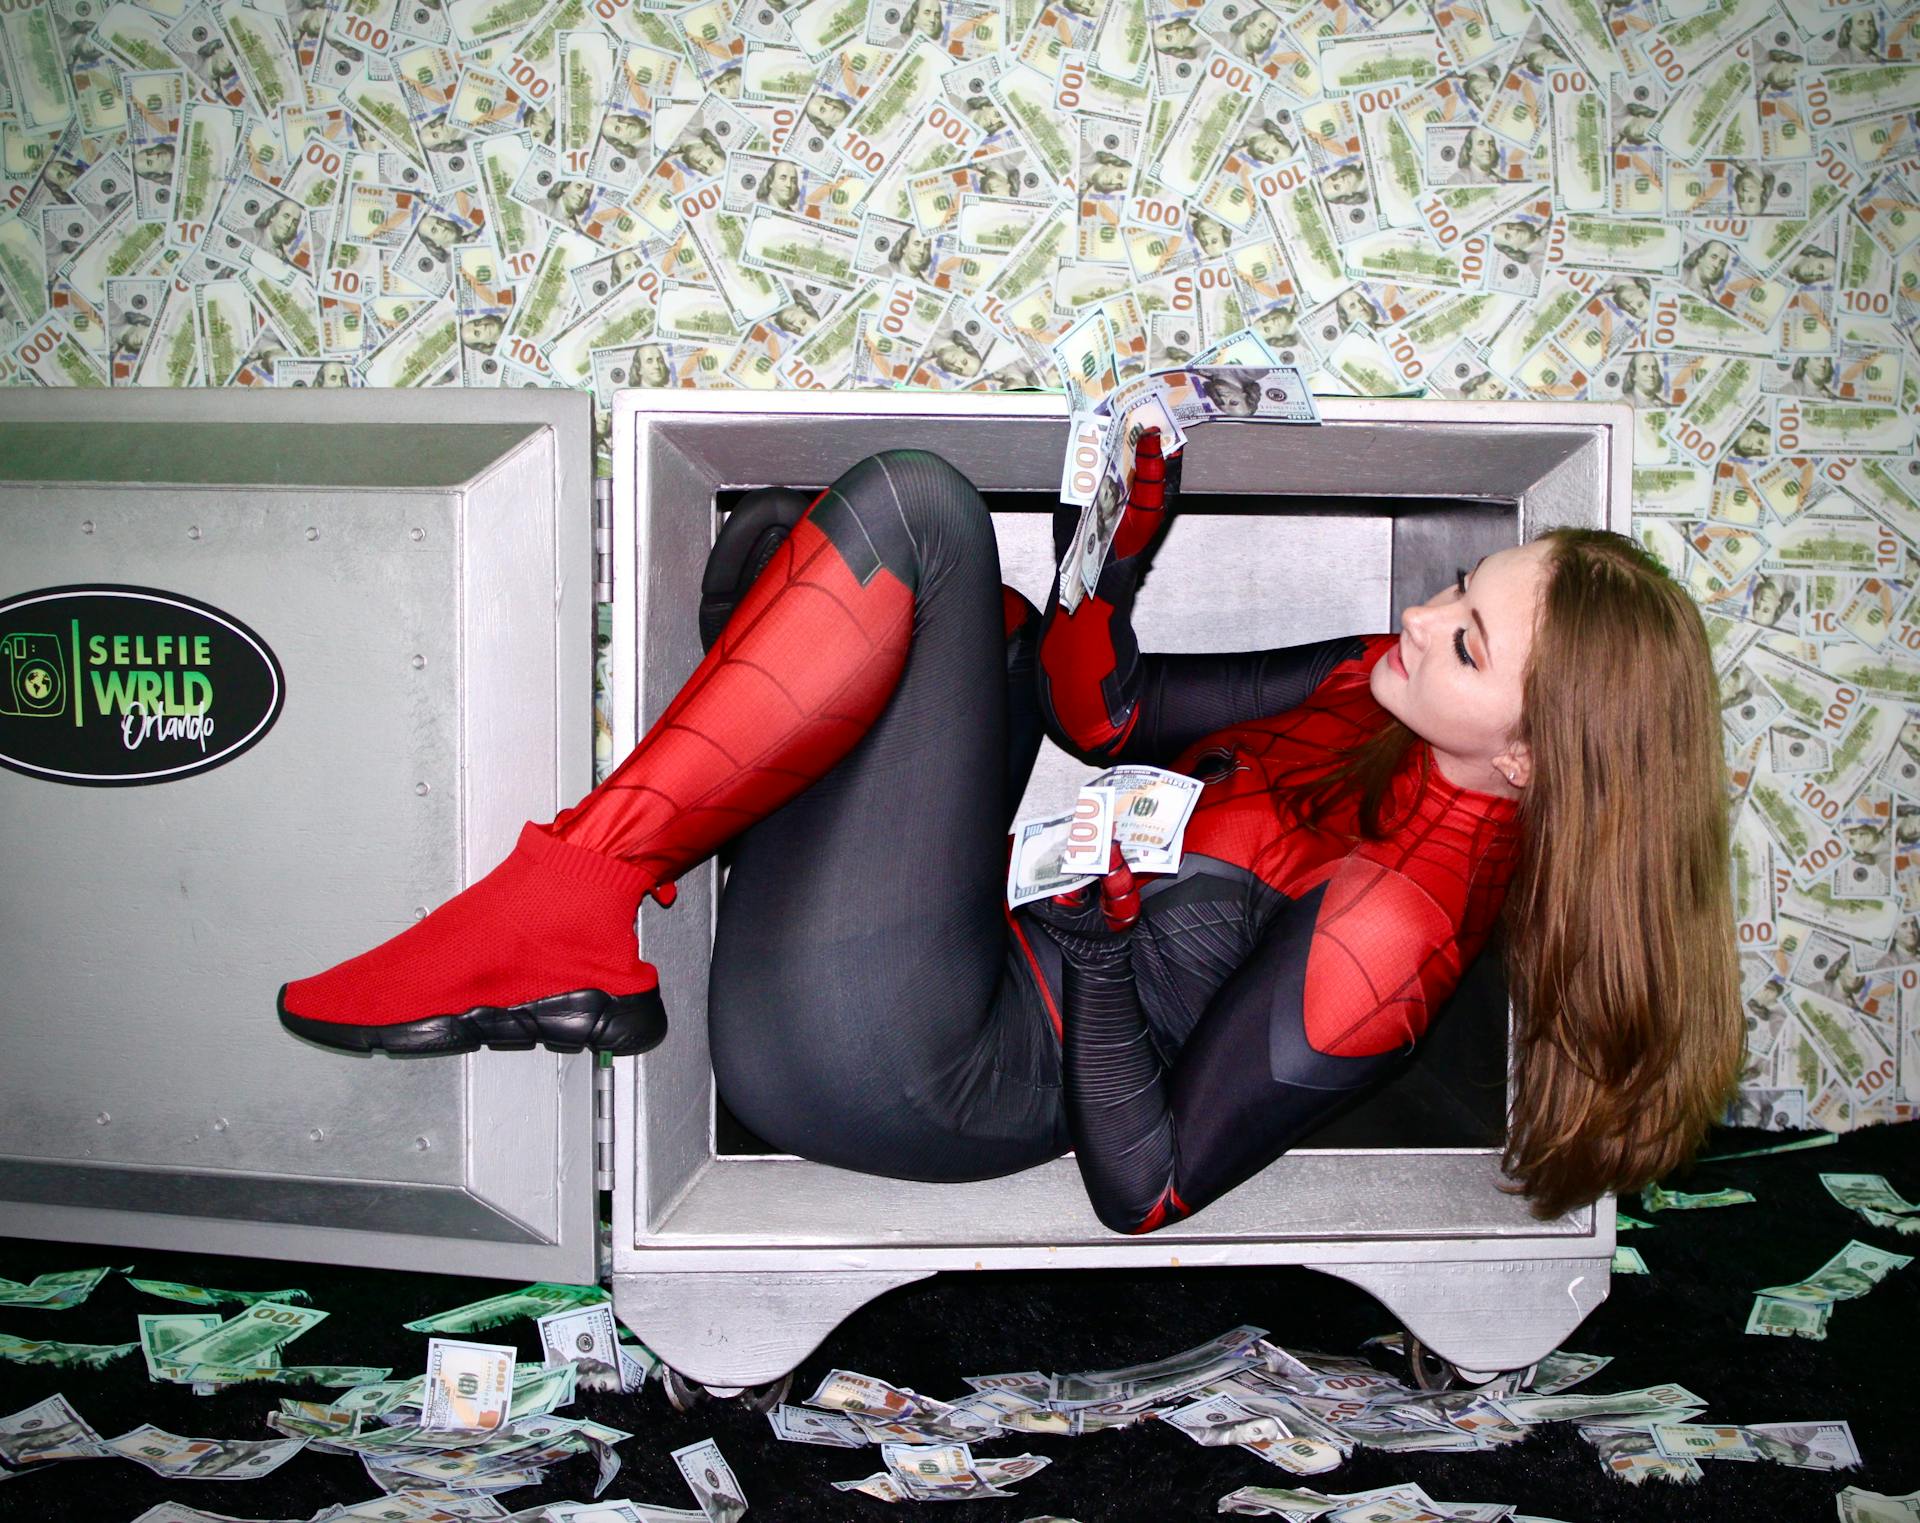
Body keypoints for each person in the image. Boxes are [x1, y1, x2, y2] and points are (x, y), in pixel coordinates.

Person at [279, 431, 1743, 1231]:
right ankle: (599, 886)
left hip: (920, 1065)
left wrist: (1106, 961)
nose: (1424, 621)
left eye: (1469, 640)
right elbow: (1103, 718)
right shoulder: (1389, 690)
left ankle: (573, 898)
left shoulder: (1397, 931)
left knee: (911, 518)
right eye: (1459, 586)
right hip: (963, 959)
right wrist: (1110, 561)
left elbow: (1145, 1189)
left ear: (1543, 762)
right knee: (902, 591)